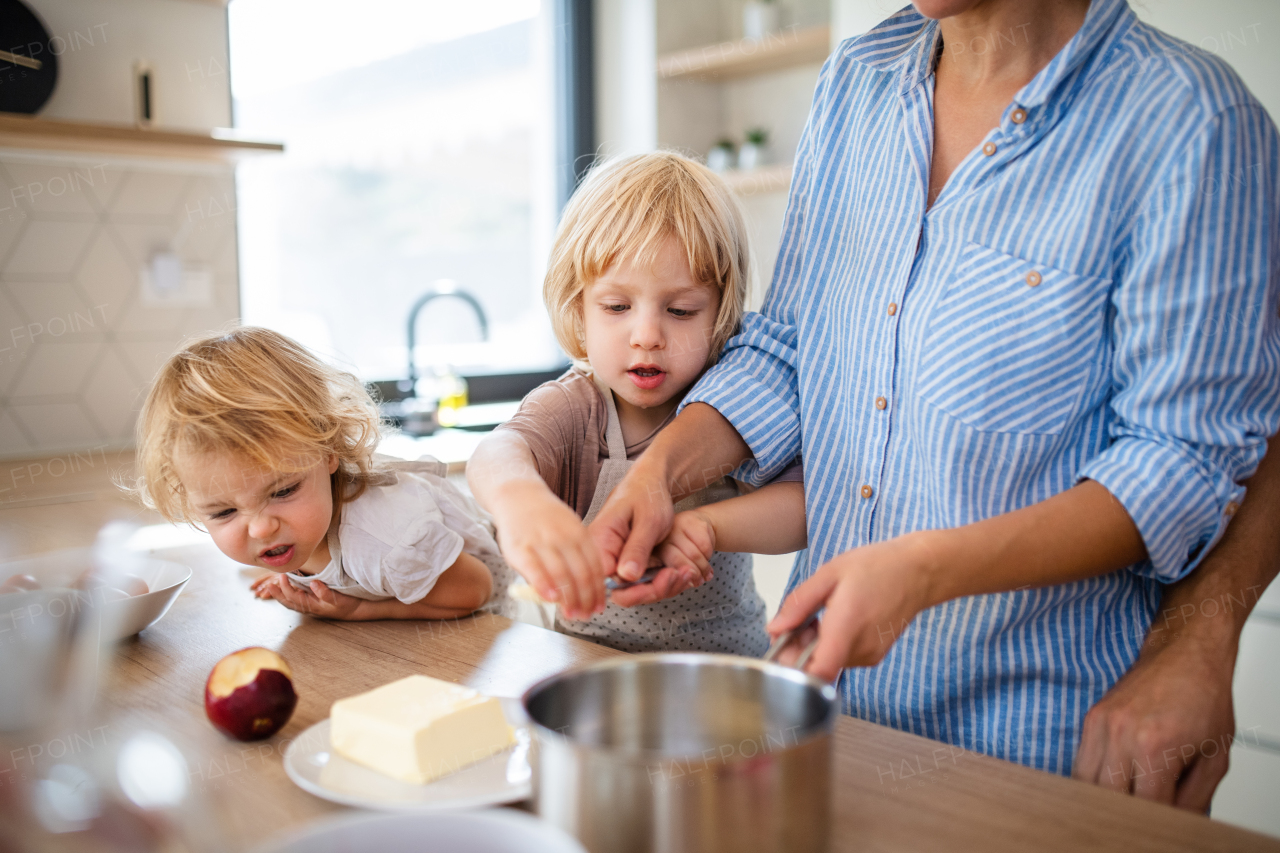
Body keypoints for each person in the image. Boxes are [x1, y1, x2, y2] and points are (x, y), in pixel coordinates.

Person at [588, 0, 1280, 781]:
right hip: (829, 722)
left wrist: (922, 571)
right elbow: (787, 349)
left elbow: (1178, 465)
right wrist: (659, 475)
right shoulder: (859, 82)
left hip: (1040, 747)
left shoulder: (1192, 123)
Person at [467, 152, 807, 653]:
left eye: (680, 310)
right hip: (589, 672)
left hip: (727, 676)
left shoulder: (734, 398)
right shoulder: (575, 408)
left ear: (721, 313)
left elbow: (803, 509)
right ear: (578, 308)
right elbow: (496, 454)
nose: (647, 335)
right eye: (617, 307)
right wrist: (523, 503)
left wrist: (707, 528)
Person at [130, 327, 506, 621]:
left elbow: (476, 590)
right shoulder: (302, 527)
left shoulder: (385, 543)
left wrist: (361, 610)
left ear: (330, 453)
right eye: (224, 513)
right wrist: (299, 572)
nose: (261, 530)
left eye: (282, 491)